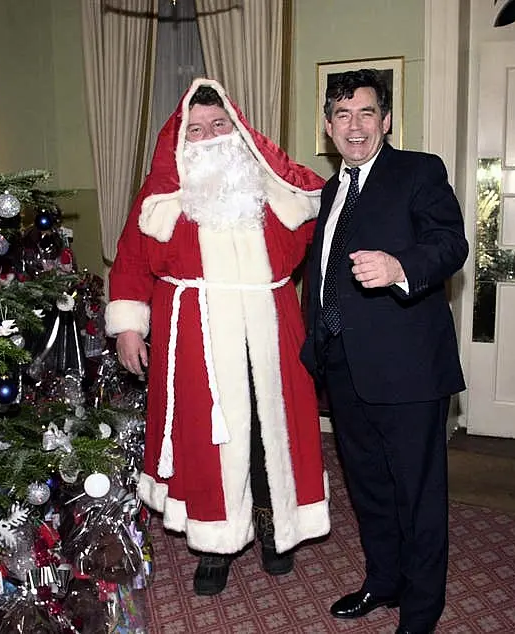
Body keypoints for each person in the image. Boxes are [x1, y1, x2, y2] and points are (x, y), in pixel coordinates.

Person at [105, 78, 330, 596]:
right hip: (195, 333)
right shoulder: (161, 194)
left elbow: (326, 220)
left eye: (219, 126)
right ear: (183, 139)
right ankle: (215, 544)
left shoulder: (271, 183)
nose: (209, 138)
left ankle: (275, 529)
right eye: (197, 130)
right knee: (208, 439)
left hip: (270, 328)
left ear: (238, 129)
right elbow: (133, 262)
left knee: (268, 432)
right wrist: (130, 328)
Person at [301, 69, 468, 634]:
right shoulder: (330, 190)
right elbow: (322, 273)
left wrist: (401, 268)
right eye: (343, 115)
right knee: (369, 487)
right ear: (328, 126)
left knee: (418, 495)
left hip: (408, 369)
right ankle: (383, 580)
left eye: (367, 113)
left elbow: (450, 242)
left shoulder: (418, 172)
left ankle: (421, 611)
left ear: (387, 120)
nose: (355, 126)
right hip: (344, 366)